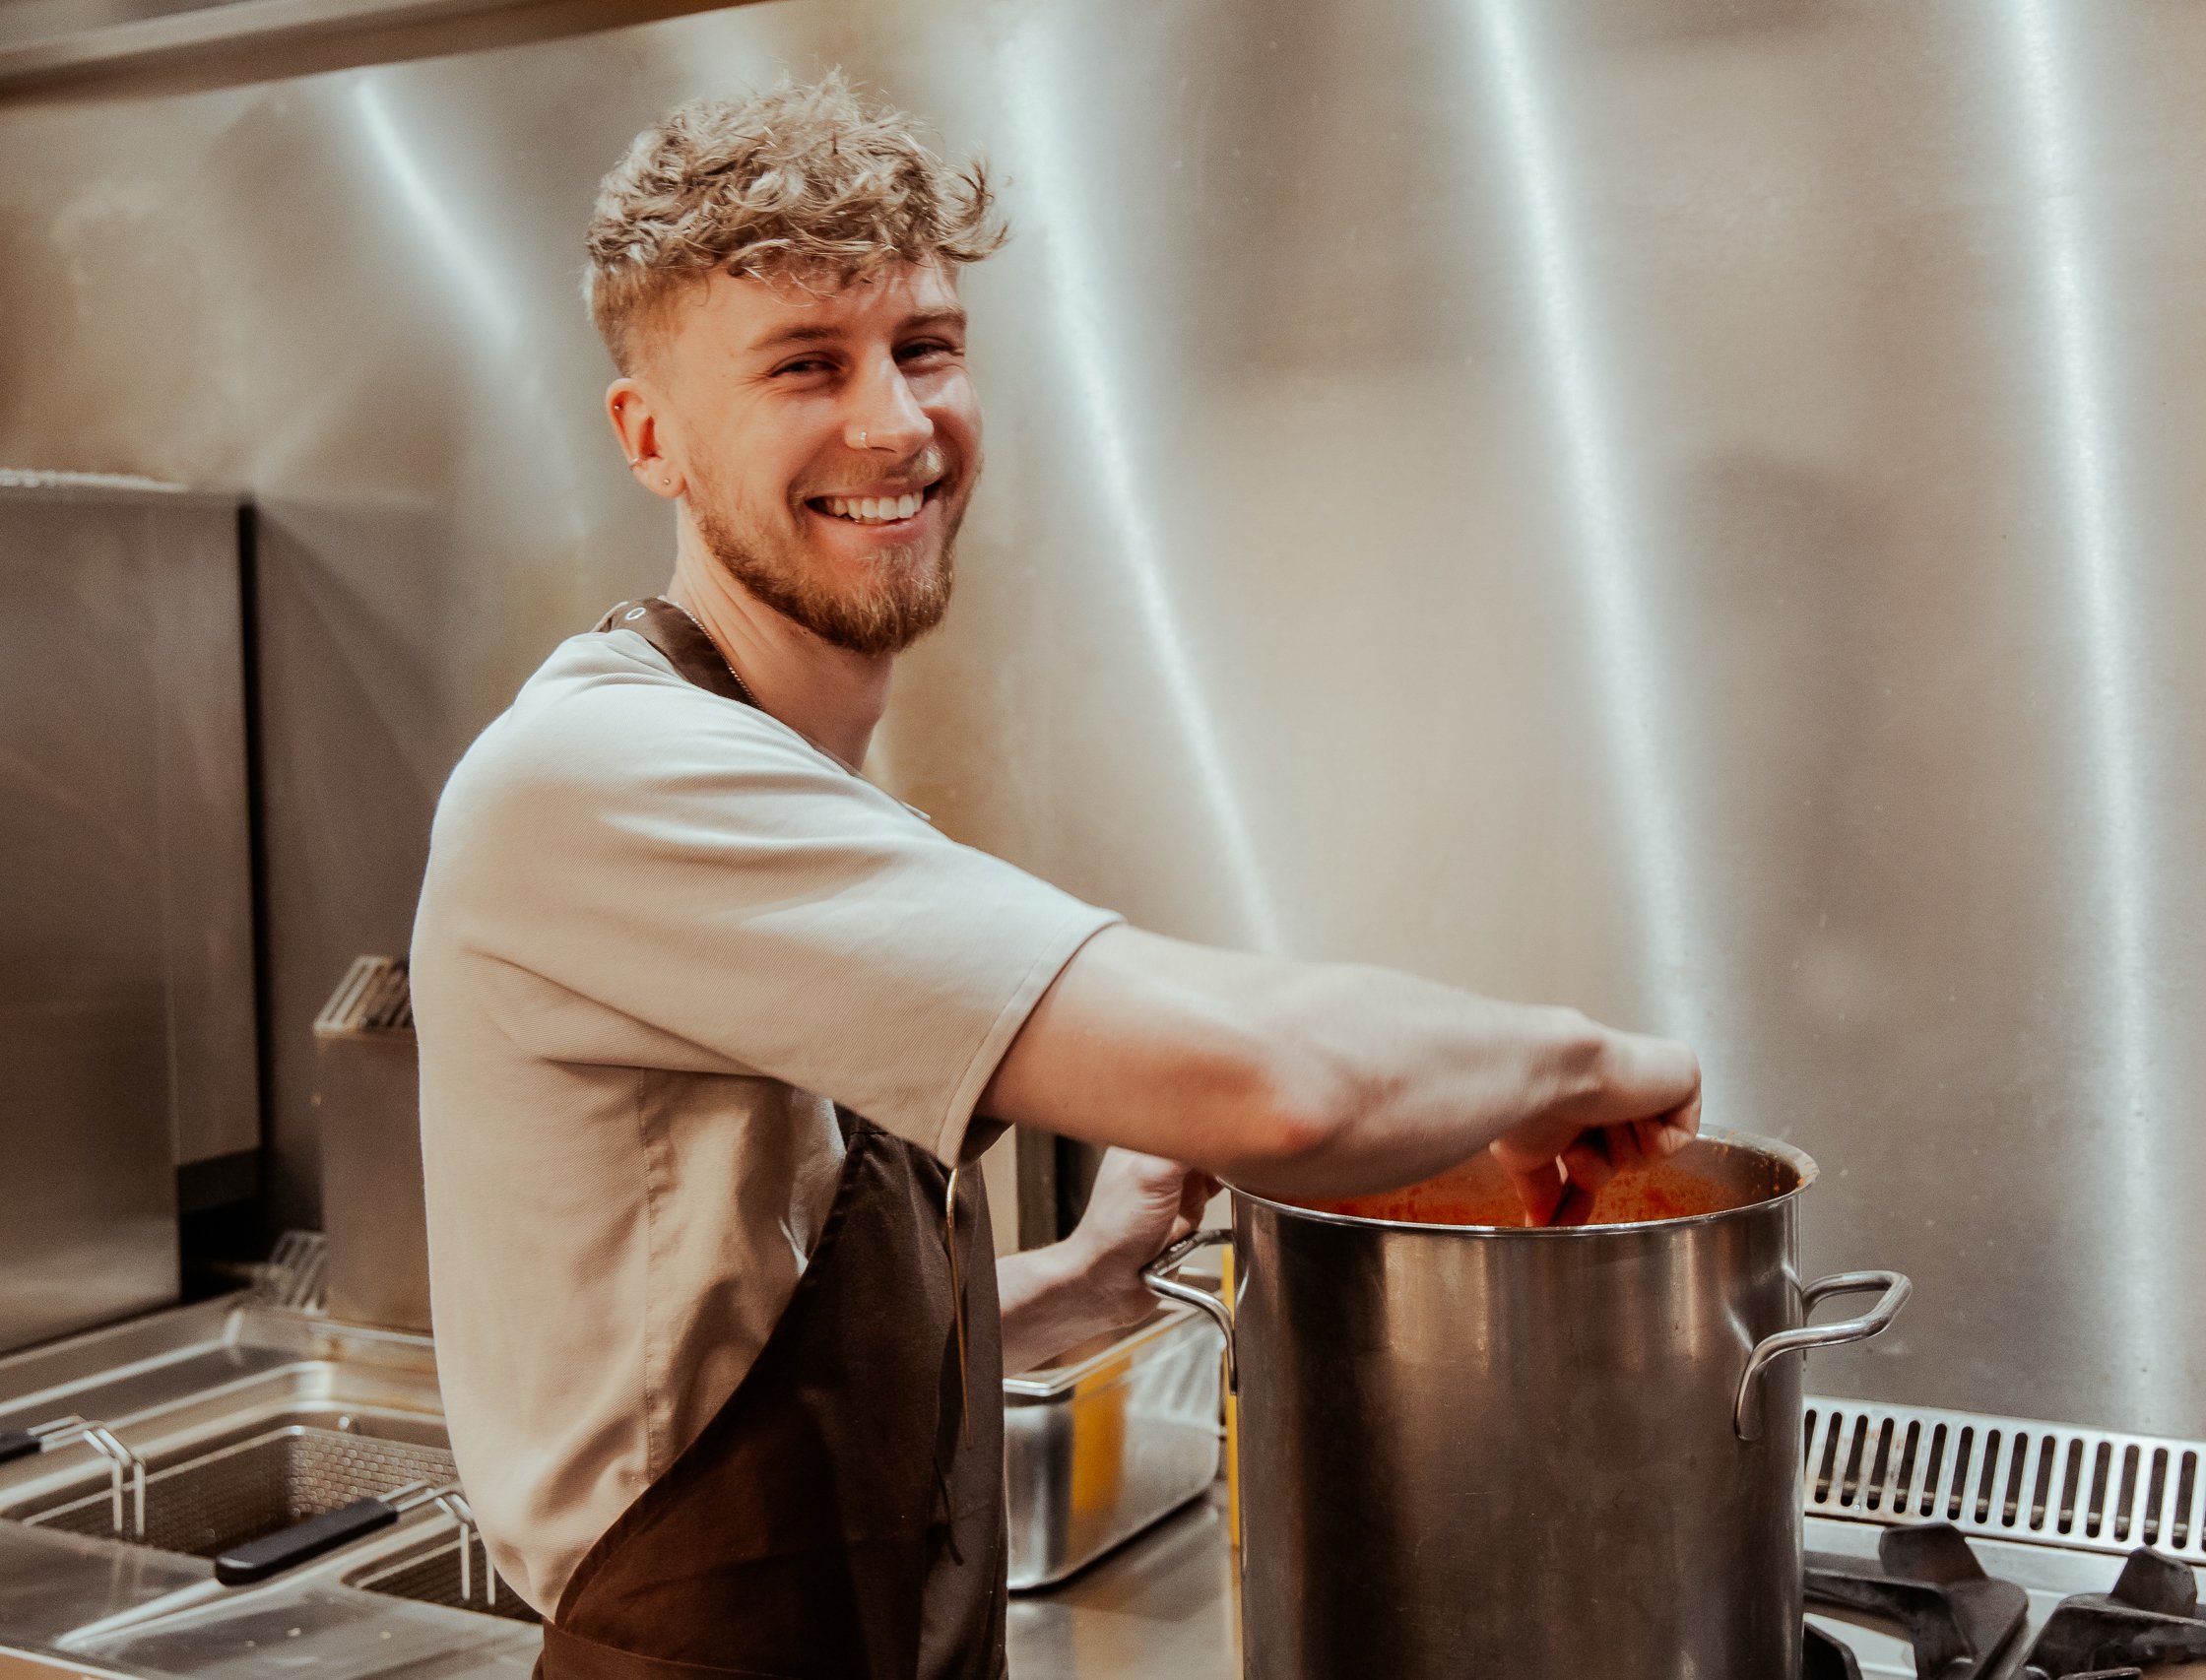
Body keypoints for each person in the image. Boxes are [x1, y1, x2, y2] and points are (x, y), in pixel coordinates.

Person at [410, 71, 1701, 1680]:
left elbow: (717, 1371)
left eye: (925, 348)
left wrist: (1075, 1288)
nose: (895, 422)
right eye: (807, 365)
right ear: (650, 435)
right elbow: (1275, 1083)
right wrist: (1584, 1064)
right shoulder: (604, 780)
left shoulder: (793, 790)